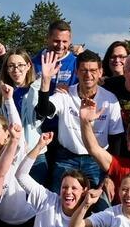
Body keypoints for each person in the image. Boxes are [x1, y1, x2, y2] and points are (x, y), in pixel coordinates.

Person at [35, 49, 123, 191]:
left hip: (97, 160)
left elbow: (116, 138)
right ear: (76, 72)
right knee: (57, 203)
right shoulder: (65, 94)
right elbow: (44, 111)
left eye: (93, 70)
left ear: (100, 72)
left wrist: (110, 173)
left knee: (101, 206)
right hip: (66, 158)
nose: (88, 75)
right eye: (83, 70)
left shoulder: (110, 100)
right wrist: (45, 81)